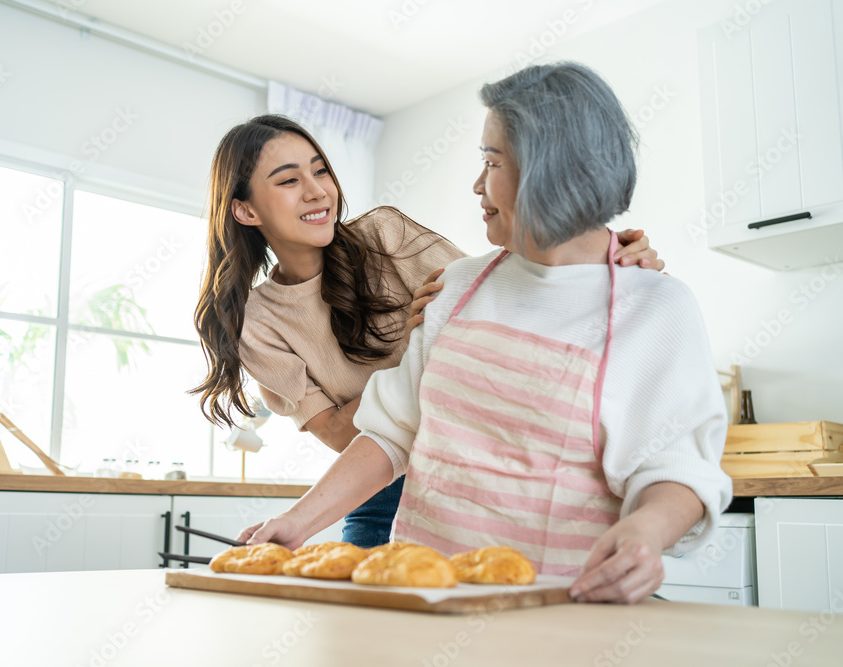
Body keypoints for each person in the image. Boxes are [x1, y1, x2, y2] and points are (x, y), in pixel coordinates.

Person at [238, 62, 732, 605]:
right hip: (430, 600)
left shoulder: (655, 305)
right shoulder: (458, 285)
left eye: (491, 162)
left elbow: (675, 467)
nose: (477, 184)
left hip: (567, 607)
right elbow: (389, 430)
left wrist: (647, 532)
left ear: (550, 169)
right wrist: (298, 521)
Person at [192, 114, 664, 549]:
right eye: (289, 180)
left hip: (475, 467)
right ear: (246, 211)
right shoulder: (257, 323)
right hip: (378, 493)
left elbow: (505, 299)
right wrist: (420, 347)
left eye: (321, 171)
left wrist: (606, 263)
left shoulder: (384, 235)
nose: (317, 191)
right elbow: (341, 435)